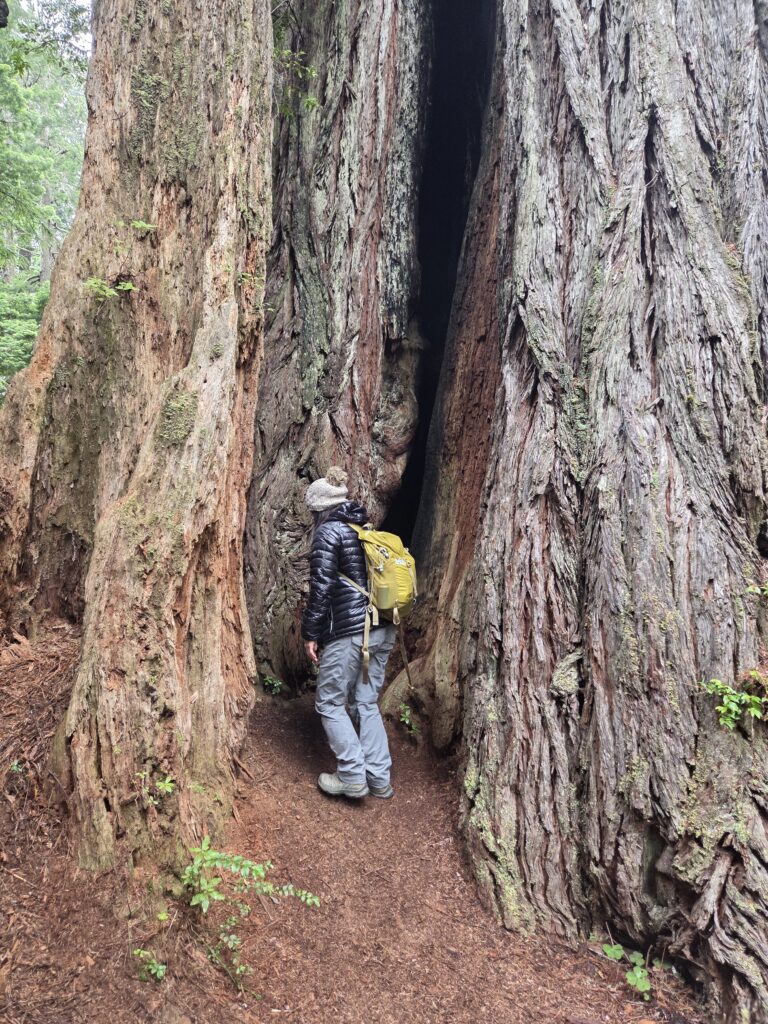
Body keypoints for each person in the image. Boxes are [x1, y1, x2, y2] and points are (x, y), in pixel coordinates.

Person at [301, 467, 396, 799]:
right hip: (383, 627)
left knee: (329, 701)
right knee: (366, 702)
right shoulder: (363, 526)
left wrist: (311, 634)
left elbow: (322, 589)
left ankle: (352, 776)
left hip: (352, 631)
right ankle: (379, 778)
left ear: (319, 508)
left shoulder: (329, 533)